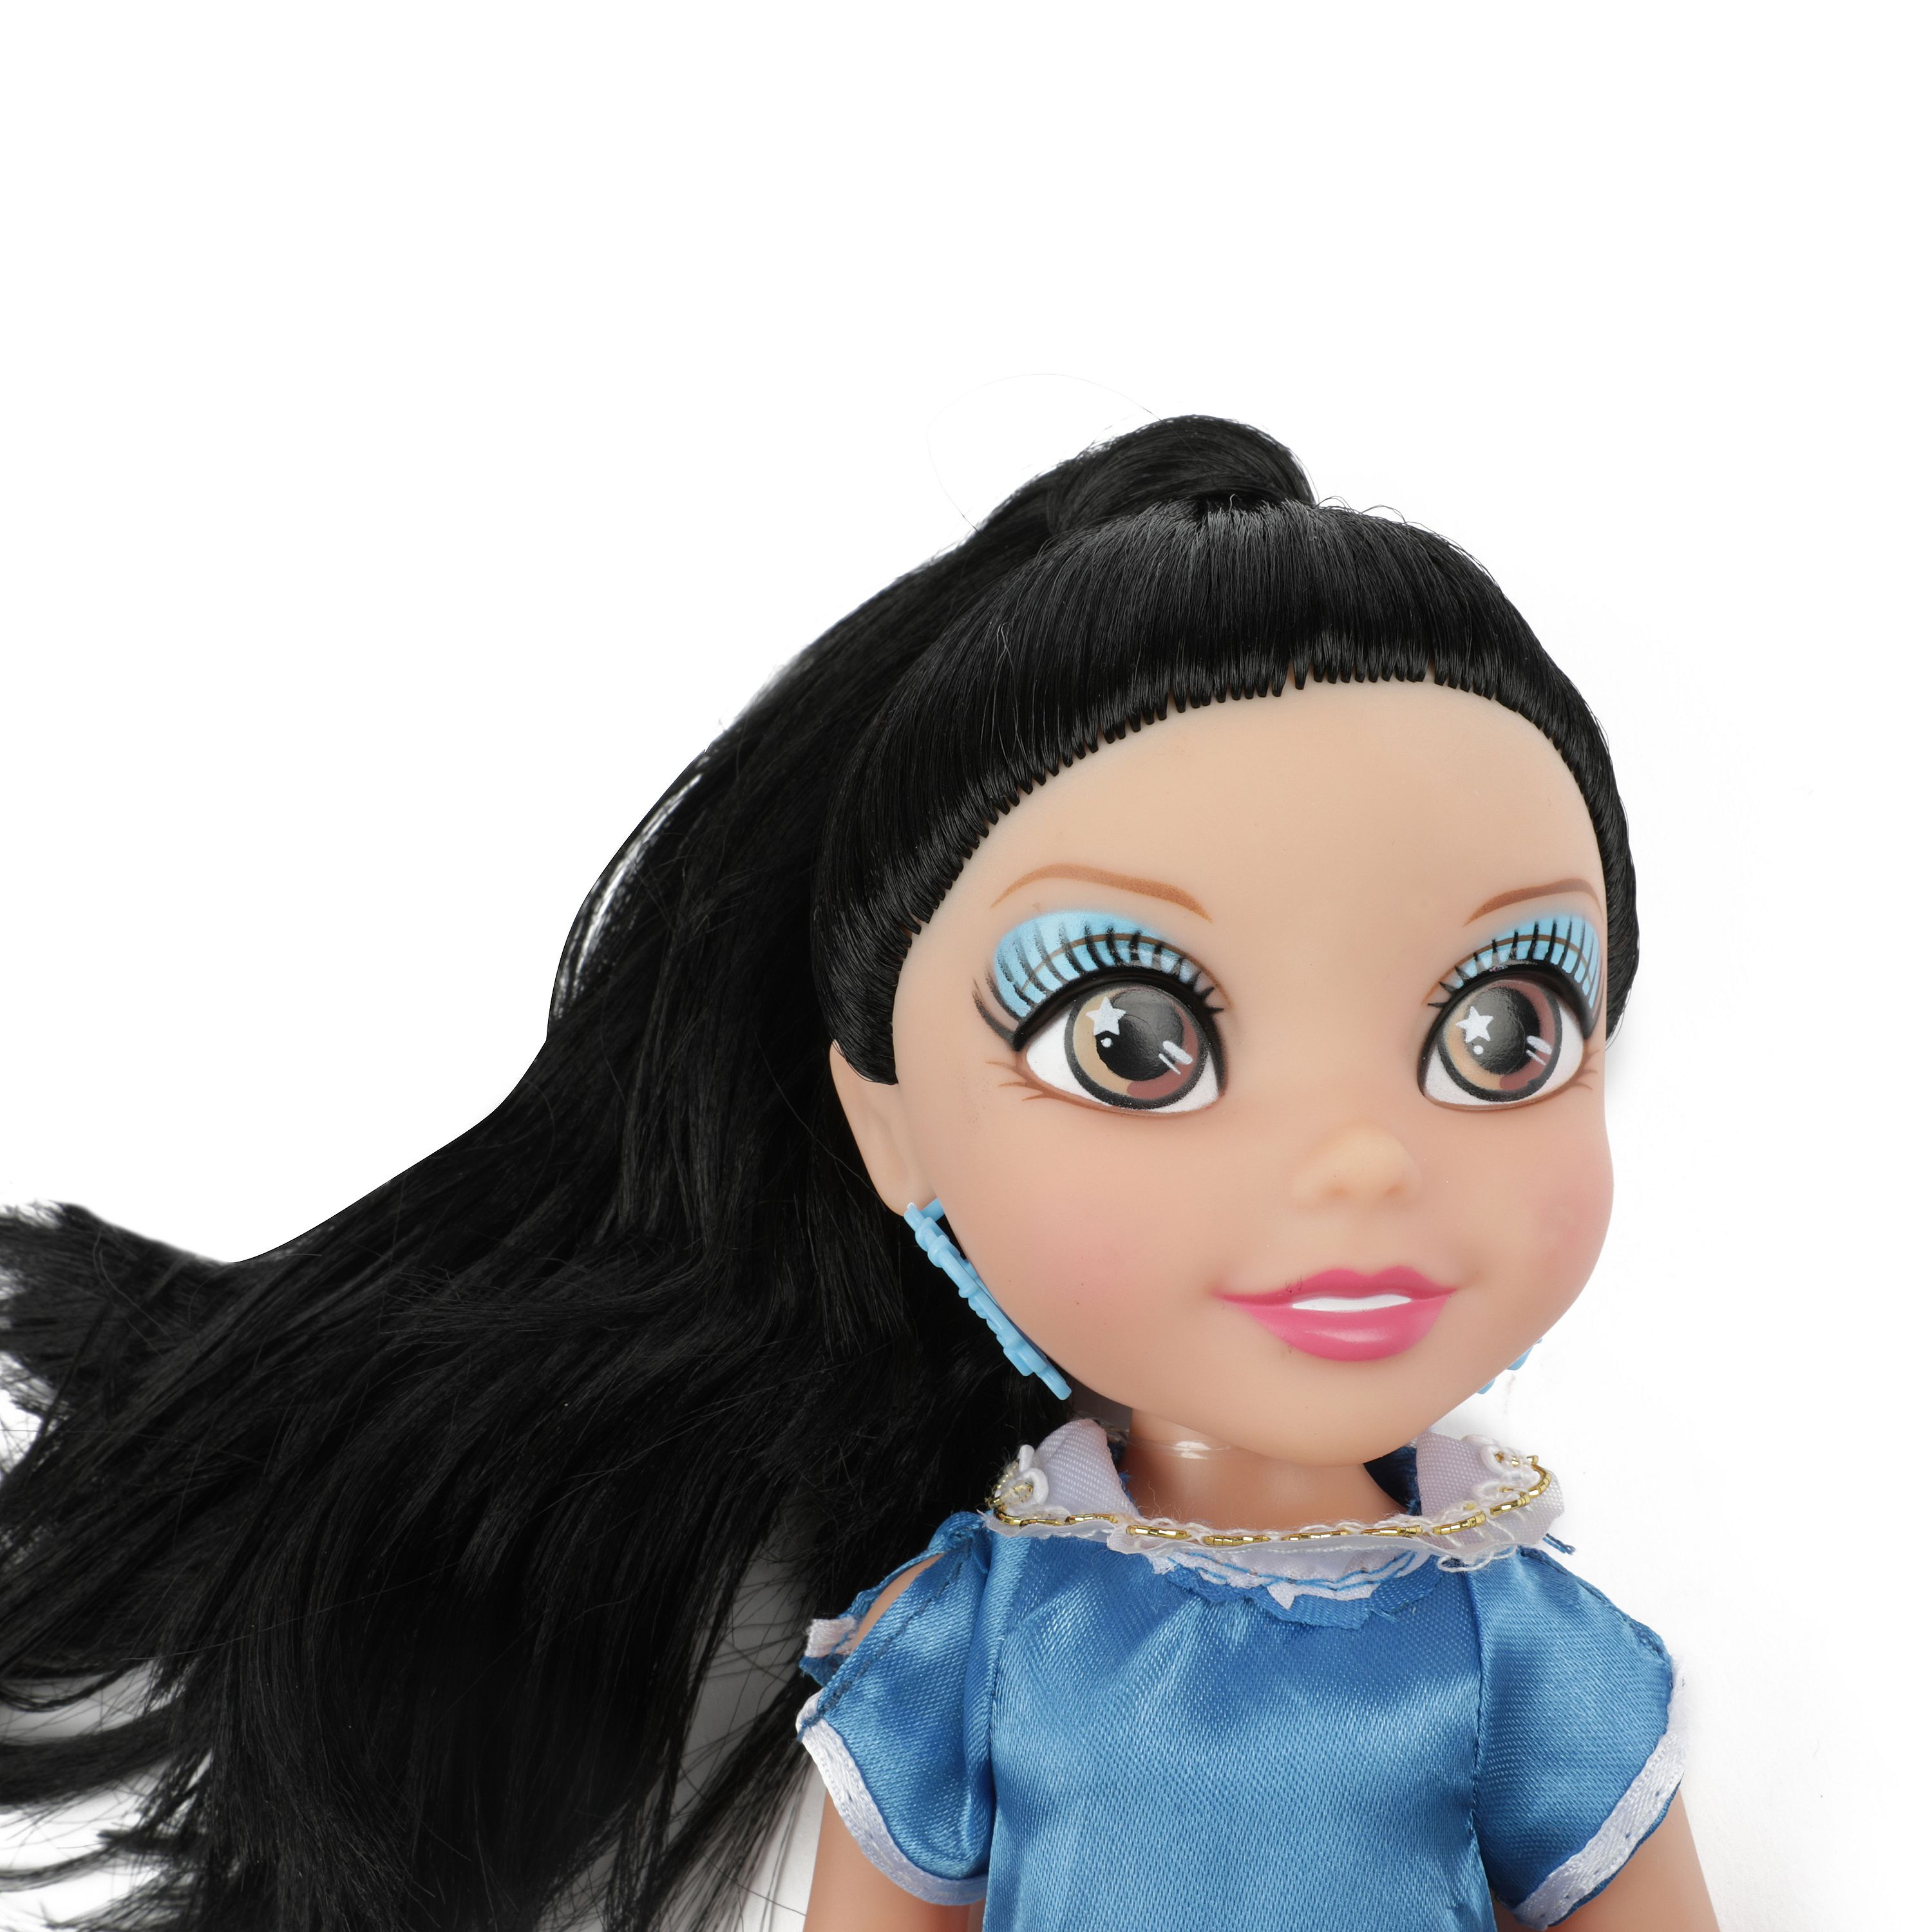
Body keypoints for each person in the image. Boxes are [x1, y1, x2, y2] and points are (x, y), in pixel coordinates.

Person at [0, 418, 1716, 1930]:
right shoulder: (980, 1636)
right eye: (1133, 1041)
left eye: (1506, 1029)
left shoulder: (1523, 1650)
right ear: (888, 1125)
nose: (1358, 1163)